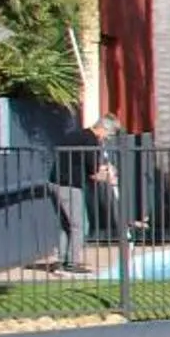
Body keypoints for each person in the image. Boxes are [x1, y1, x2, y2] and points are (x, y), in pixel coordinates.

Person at [49, 114, 118, 274]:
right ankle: (71, 263)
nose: (107, 138)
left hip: (54, 182)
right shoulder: (91, 141)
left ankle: (61, 261)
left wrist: (103, 171)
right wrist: (109, 176)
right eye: (109, 134)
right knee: (78, 226)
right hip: (69, 186)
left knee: (67, 225)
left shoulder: (77, 134)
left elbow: (86, 166)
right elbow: (93, 172)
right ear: (103, 129)